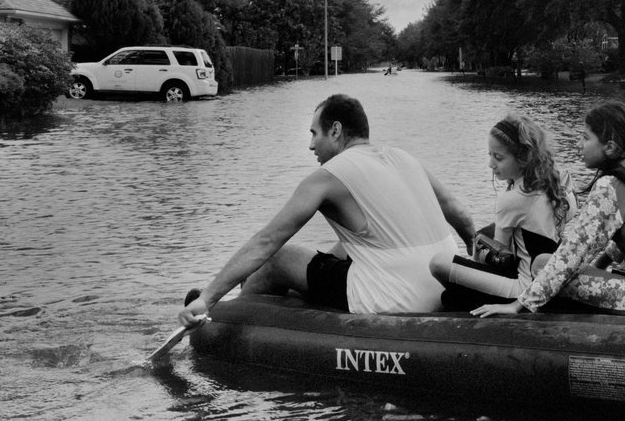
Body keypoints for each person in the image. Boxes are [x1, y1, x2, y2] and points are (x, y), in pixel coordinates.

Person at [179, 94, 475, 326]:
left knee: (278, 260)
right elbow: (462, 217)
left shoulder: (329, 175)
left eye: (314, 134)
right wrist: (476, 263)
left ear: (335, 130)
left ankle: (223, 316)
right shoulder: (404, 158)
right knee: (345, 248)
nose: (311, 146)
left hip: (397, 299)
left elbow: (268, 241)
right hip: (444, 288)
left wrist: (207, 298)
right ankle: (259, 291)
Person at [472, 100, 625, 318]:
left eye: (585, 138)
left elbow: (572, 252)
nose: (579, 144)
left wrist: (520, 304)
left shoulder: (611, 185)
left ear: (610, 147)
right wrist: (597, 267)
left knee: (541, 264)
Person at [429, 115, 575, 307]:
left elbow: (501, 259)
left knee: (439, 263)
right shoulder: (558, 186)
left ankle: (462, 298)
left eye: (498, 157)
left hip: (523, 289)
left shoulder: (513, 198)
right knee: (485, 235)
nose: (491, 164)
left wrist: (477, 250)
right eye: (489, 154)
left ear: (523, 158)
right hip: (550, 282)